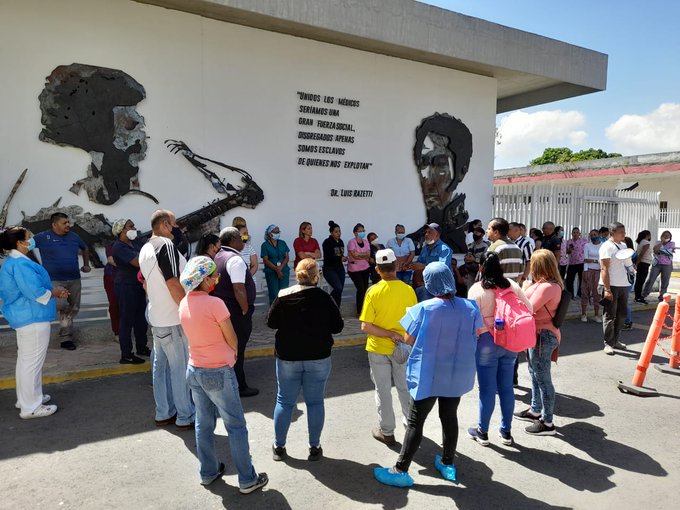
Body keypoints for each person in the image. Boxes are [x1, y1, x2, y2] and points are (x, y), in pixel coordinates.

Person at [373, 262, 481, 486]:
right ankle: (448, 463)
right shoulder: (470, 307)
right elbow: (477, 334)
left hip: (428, 374)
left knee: (415, 422)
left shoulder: (422, 309)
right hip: (456, 373)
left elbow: (405, 344)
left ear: (429, 283)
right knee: (449, 417)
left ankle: (400, 470)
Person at [178, 256, 269, 493]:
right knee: (236, 426)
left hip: (194, 368)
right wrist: (233, 354)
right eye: (214, 276)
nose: (217, 279)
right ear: (204, 280)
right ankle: (247, 478)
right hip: (218, 369)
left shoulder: (184, 303)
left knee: (203, 424)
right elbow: (231, 336)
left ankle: (208, 471)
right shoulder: (215, 303)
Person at [267, 259, 344, 462]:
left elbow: (271, 322)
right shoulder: (325, 297)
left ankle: (279, 446)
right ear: (316, 276)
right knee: (315, 402)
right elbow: (338, 327)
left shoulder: (283, 296)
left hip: (287, 357)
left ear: (296, 274)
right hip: (318, 356)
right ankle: (314, 446)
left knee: (284, 401)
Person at [0, 226, 67, 419]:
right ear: (20, 242)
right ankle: (31, 407)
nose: (32, 240)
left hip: (25, 317)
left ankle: (28, 398)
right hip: (32, 317)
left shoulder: (14, 261)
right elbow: (35, 292)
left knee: (26, 362)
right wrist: (55, 292)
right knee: (32, 363)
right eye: (29, 237)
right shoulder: (20, 264)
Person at [468, 253, 532, 446]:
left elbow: (471, 321)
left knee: (487, 389)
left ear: (481, 268)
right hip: (509, 341)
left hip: (487, 342)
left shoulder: (476, 290)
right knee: (506, 388)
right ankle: (506, 432)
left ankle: (483, 431)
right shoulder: (512, 285)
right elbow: (528, 308)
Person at [139, 209, 195, 430]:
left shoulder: (145, 248)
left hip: (158, 317)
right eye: (173, 224)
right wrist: (187, 311)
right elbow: (173, 282)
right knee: (179, 368)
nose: (176, 229)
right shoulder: (166, 245)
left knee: (159, 368)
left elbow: (146, 284)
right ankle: (185, 415)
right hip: (172, 319)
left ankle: (163, 412)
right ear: (163, 224)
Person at [359, 249, 417, 446]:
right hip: (402, 349)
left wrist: (388, 334)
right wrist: (398, 336)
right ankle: (412, 427)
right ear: (396, 267)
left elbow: (366, 326)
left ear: (377, 269)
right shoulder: (408, 291)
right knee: (405, 388)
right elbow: (414, 323)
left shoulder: (373, 291)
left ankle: (387, 432)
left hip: (377, 348)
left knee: (382, 390)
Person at [515, 249, 562, 435]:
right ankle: (535, 410)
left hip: (544, 335)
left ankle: (547, 422)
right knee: (534, 373)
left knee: (543, 378)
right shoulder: (542, 284)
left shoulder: (548, 287)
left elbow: (528, 306)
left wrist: (524, 288)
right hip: (536, 334)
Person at [33, 212, 91, 350]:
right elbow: (26, 247)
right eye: (64, 223)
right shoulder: (43, 237)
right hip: (54, 281)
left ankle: (66, 339)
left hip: (74, 279)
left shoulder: (74, 236)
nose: (68, 225)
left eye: (68, 222)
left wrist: (86, 264)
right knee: (61, 305)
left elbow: (85, 248)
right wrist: (35, 264)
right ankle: (44, 330)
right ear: (54, 224)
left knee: (72, 308)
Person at [214, 227, 259, 397]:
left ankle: (228, 383)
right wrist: (245, 309)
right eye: (241, 238)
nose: (243, 241)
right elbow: (239, 289)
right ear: (233, 240)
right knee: (237, 349)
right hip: (236, 311)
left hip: (224, 310)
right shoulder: (235, 260)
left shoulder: (218, 256)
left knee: (229, 348)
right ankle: (239, 386)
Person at [111, 219, 149, 364]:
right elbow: (138, 262)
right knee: (127, 320)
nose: (134, 228)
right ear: (121, 230)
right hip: (125, 286)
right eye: (130, 226)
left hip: (138, 285)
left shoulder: (135, 243)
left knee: (141, 319)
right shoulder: (119, 247)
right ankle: (126, 354)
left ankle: (142, 347)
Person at [598, 222, 632, 355]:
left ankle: (615, 340)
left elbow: (627, 262)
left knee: (621, 315)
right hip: (610, 285)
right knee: (609, 315)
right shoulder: (606, 247)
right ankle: (608, 343)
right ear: (612, 233)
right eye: (621, 232)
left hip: (623, 285)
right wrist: (607, 289)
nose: (624, 234)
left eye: (624, 231)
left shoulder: (623, 245)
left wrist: (632, 270)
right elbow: (604, 268)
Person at [408, 223, 453, 301]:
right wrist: (410, 266)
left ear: (437, 235)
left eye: (430, 232)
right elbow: (419, 262)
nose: (426, 234)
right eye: (426, 232)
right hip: (425, 283)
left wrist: (424, 267)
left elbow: (441, 269)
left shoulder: (445, 249)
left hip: (442, 285)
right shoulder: (425, 249)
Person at [485, 217, 524, 282]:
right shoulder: (517, 248)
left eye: (489, 229)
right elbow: (520, 273)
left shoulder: (494, 247)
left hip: (497, 289)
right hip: (512, 289)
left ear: (496, 232)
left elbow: (487, 271)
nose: (486, 231)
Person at [642, 231, 675, 302]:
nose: (666, 237)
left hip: (667, 265)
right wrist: (661, 243)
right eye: (664, 235)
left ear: (670, 237)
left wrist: (661, 251)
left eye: (667, 236)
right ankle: (644, 294)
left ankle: (662, 296)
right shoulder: (658, 242)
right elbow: (655, 250)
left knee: (665, 281)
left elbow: (669, 252)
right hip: (657, 264)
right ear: (661, 236)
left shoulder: (672, 243)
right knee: (651, 279)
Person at [261, 224, 290, 305]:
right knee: (274, 294)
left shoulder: (282, 243)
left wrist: (280, 269)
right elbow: (265, 260)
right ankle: (274, 314)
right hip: (271, 272)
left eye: (278, 232)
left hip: (284, 271)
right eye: (275, 232)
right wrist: (276, 270)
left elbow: (286, 257)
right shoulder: (265, 245)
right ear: (270, 234)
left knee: (284, 293)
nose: (277, 233)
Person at [347, 223, 372, 315]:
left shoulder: (365, 242)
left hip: (365, 268)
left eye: (363, 231)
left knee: (365, 289)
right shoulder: (351, 242)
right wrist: (363, 255)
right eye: (360, 231)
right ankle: (359, 311)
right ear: (355, 232)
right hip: (354, 269)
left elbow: (368, 255)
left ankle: (365, 310)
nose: (362, 233)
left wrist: (359, 254)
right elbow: (354, 255)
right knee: (360, 289)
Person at [322, 221, 346, 307]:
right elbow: (328, 256)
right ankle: (327, 302)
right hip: (329, 269)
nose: (338, 233)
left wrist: (343, 258)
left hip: (340, 268)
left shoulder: (341, 242)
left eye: (339, 231)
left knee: (340, 290)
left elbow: (341, 254)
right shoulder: (327, 242)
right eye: (336, 232)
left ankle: (336, 309)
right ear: (331, 233)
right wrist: (340, 258)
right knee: (338, 287)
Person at [581, 230, 603, 322]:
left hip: (598, 271)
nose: (593, 236)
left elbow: (602, 260)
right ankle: (584, 314)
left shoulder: (603, 246)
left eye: (595, 234)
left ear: (599, 235)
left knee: (596, 293)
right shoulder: (587, 245)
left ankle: (596, 315)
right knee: (585, 292)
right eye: (592, 235)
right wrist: (586, 270)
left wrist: (592, 260)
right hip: (588, 270)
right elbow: (585, 259)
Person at [103, 241, 120, 338]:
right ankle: (117, 332)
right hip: (112, 277)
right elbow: (110, 259)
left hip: (129, 278)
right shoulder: (112, 245)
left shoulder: (135, 244)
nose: (133, 230)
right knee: (114, 305)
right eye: (130, 227)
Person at [565, 227, 588, 297]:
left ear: (579, 234)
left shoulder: (584, 241)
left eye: (577, 232)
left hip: (582, 263)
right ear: (572, 233)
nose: (575, 234)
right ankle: (570, 294)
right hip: (572, 263)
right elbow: (567, 252)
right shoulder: (569, 242)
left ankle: (580, 293)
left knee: (582, 280)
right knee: (569, 279)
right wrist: (569, 250)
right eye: (574, 232)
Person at [634, 230, 653, 304]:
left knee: (639, 280)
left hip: (643, 263)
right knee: (641, 281)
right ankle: (638, 297)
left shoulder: (641, 242)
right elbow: (642, 254)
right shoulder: (646, 242)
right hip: (644, 263)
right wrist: (637, 263)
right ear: (647, 235)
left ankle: (638, 296)